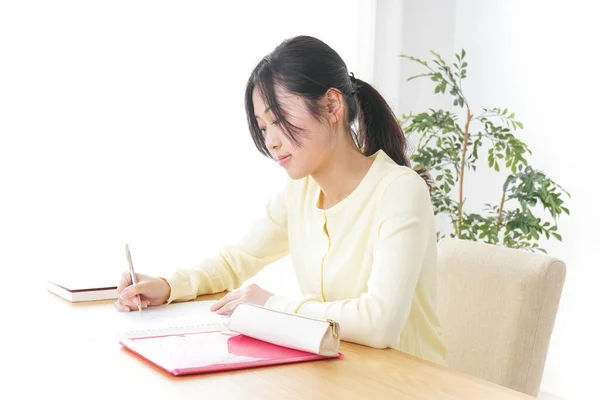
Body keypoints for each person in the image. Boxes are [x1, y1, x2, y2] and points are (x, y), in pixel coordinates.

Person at [115, 35, 446, 365]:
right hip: (342, 374)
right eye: (263, 127)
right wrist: (168, 286)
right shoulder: (300, 193)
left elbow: (379, 323)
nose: (271, 142)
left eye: (278, 120)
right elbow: (237, 261)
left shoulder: (400, 191)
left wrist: (271, 305)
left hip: (409, 384)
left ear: (332, 106)